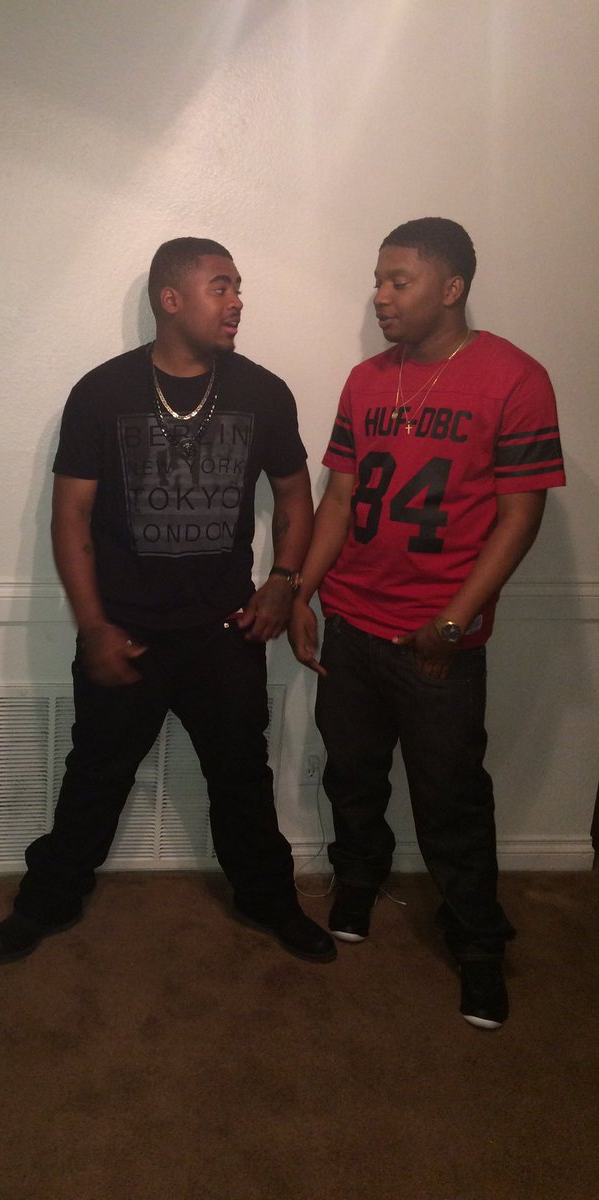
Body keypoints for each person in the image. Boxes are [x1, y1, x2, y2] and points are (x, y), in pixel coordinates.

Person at [0, 237, 335, 967]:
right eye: (220, 287)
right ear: (170, 299)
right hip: (128, 631)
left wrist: (283, 581)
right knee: (95, 776)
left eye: (238, 286)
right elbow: (71, 517)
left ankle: (268, 899)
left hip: (225, 630)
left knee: (242, 779)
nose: (236, 301)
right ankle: (47, 902)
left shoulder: (264, 392)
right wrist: (92, 626)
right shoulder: (102, 392)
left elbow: (296, 500)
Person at [289, 217, 565, 1029]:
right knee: (352, 775)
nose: (379, 296)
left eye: (397, 281)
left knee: (451, 800)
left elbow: (520, 516)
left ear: (452, 288)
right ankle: (360, 878)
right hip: (352, 622)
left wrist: (453, 621)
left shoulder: (515, 378)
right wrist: (303, 592)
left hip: (436, 639)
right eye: (377, 280)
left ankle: (478, 939)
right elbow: (340, 498)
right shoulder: (366, 380)